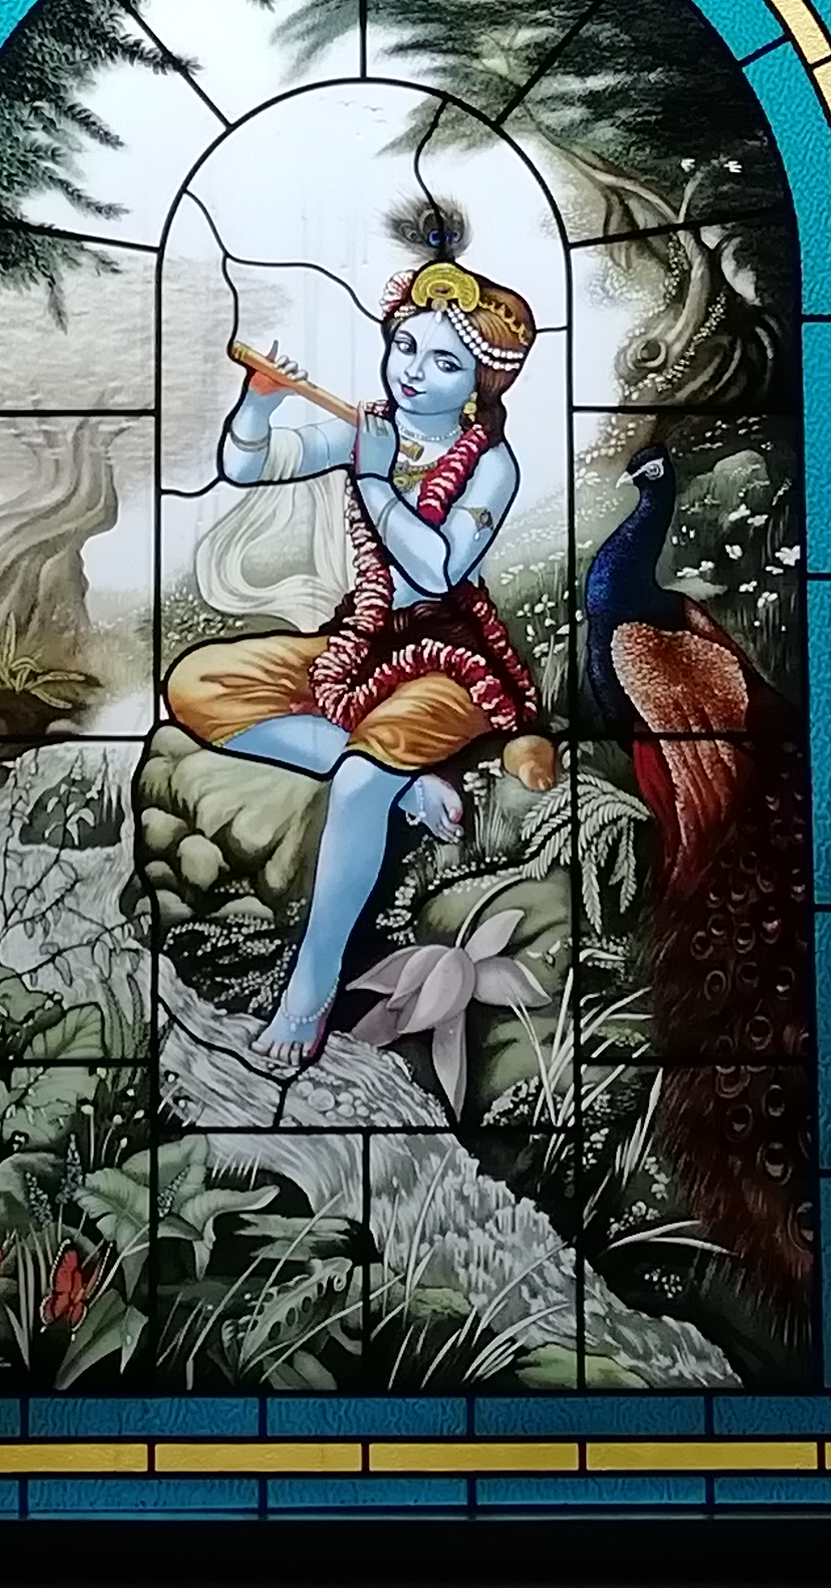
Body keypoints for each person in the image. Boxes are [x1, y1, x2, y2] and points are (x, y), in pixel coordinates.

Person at [164, 258, 561, 1078]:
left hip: (450, 660)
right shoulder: (368, 427)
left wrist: (376, 478)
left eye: (444, 362)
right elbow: (247, 465)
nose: (413, 372)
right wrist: (259, 403)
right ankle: (405, 785)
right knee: (195, 685)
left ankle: (309, 991)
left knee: (354, 785)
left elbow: (439, 568)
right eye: (404, 347)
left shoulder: (491, 464)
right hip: (363, 638)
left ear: (480, 383)